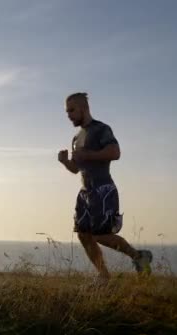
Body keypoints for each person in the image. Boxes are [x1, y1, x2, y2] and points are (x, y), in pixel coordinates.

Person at [58, 92, 152, 280]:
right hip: (85, 193)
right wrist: (65, 162)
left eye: (71, 110)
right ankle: (104, 277)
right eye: (66, 111)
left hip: (103, 190)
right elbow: (77, 169)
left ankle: (139, 256)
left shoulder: (101, 129)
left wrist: (88, 155)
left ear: (83, 108)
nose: (68, 115)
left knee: (100, 235)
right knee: (84, 235)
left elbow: (115, 152)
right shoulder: (76, 138)